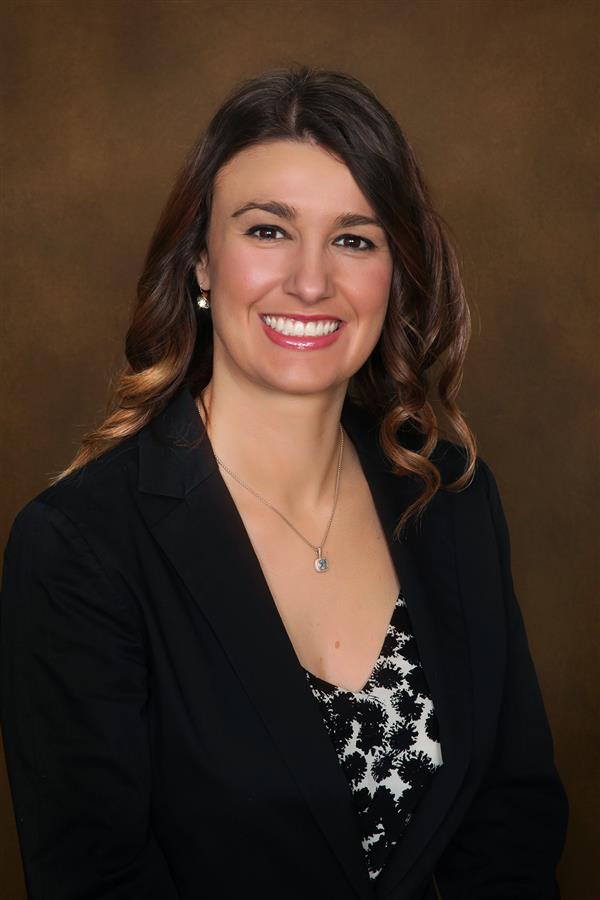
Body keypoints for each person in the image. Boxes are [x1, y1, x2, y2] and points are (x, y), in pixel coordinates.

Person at [0, 65, 568, 900]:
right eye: (267, 231)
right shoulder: (79, 548)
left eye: (354, 239)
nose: (311, 281)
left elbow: (512, 829)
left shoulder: (449, 497)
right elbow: (100, 882)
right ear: (200, 263)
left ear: (395, 274)